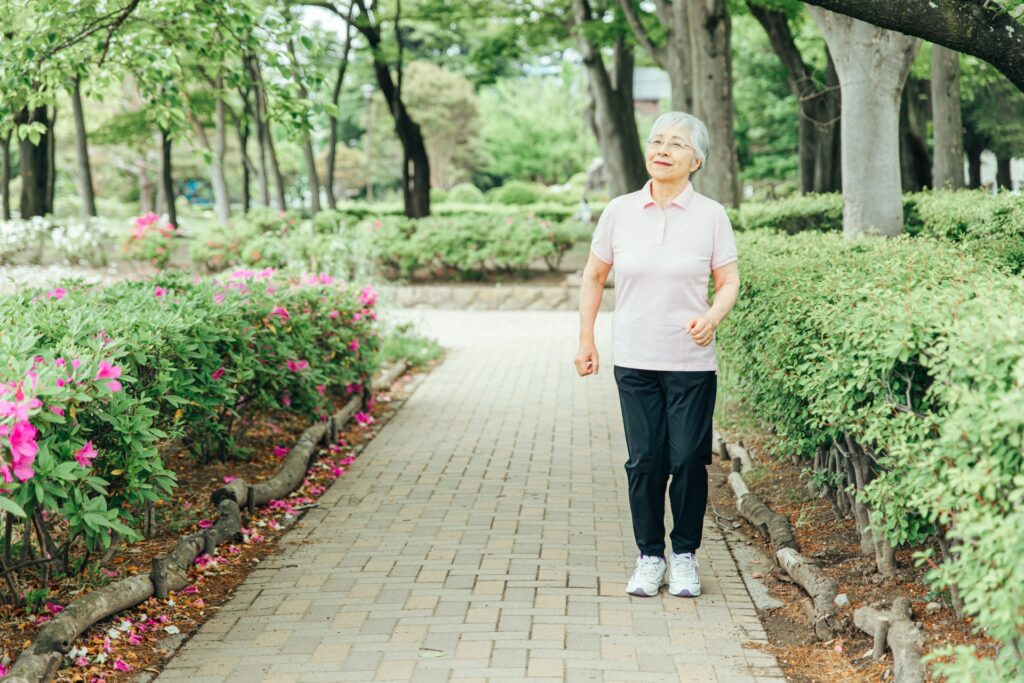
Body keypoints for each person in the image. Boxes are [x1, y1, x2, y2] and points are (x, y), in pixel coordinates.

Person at [574, 112, 740, 598]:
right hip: (635, 358)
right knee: (645, 461)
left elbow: (728, 282)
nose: (663, 149)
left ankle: (684, 555)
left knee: (688, 459)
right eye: (657, 140)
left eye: (676, 143)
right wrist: (587, 338)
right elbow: (593, 276)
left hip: (691, 362)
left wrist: (711, 318)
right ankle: (650, 556)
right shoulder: (620, 211)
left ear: (697, 160)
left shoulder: (711, 215)